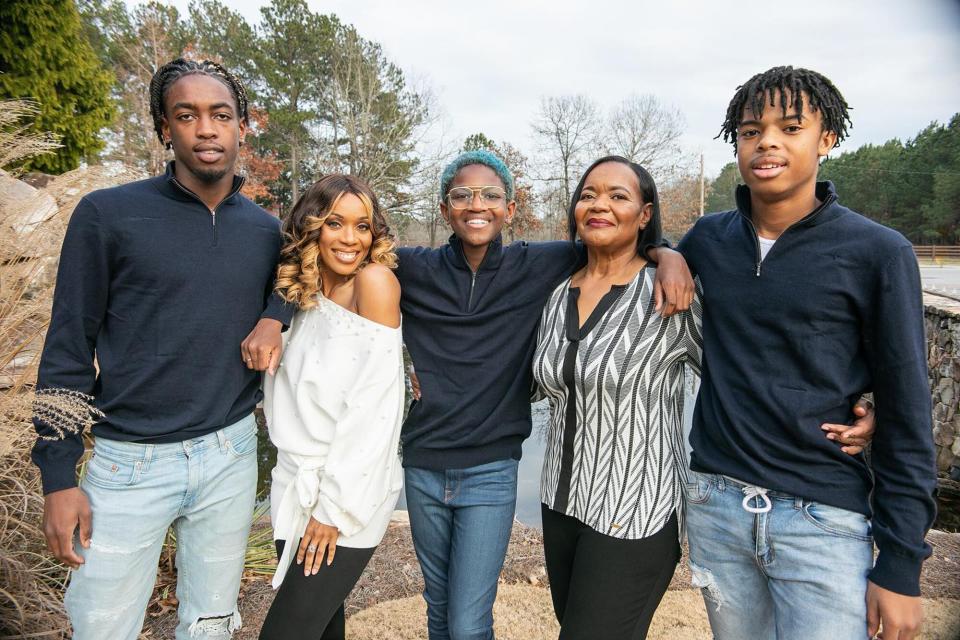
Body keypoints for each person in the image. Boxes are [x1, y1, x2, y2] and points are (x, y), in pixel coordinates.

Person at [532, 155, 875, 639]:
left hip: (635, 511)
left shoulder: (669, 295)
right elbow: (533, 382)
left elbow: (752, 366)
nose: (599, 204)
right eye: (588, 194)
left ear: (645, 214)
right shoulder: (556, 295)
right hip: (560, 503)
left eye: (617, 195)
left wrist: (862, 401)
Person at [31, 58, 289, 640]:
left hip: (229, 452)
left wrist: (276, 316)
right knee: (101, 627)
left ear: (242, 126)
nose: (206, 129)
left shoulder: (265, 231)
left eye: (221, 115)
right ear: (162, 128)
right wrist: (57, 474)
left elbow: (302, 278)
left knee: (210, 627)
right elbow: (69, 346)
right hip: (128, 462)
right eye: (187, 115)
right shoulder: (108, 215)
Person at [678, 66, 937, 640]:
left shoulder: (878, 252)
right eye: (750, 130)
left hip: (822, 518)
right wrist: (663, 253)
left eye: (790, 127)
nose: (766, 141)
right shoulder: (706, 241)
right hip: (716, 504)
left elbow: (907, 410)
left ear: (826, 140)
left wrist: (900, 565)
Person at [395, 150, 693, 640]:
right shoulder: (416, 267)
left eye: (492, 195)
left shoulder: (541, 266)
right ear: (445, 208)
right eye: (462, 195)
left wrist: (669, 253)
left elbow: (623, 242)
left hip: (589, 493)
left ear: (511, 209)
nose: (477, 205)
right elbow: (339, 253)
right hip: (510, 484)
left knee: (469, 623)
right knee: (439, 609)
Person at [257, 174, 404, 640]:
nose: (350, 238)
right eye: (336, 223)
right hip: (292, 484)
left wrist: (332, 510)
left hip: (346, 493)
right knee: (322, 629)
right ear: (312, 226)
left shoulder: (374, 284)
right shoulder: (298, 297)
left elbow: (376, 411)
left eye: (362, 226)